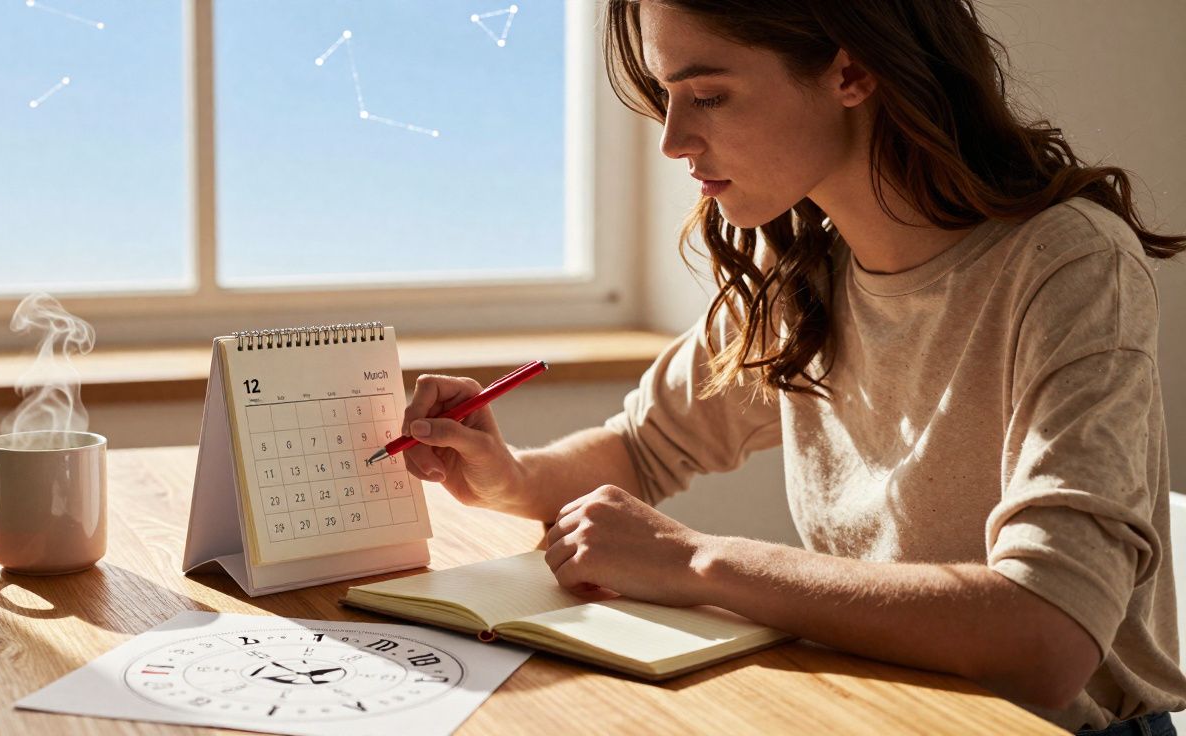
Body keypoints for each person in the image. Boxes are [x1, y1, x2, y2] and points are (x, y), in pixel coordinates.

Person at [400, 1, 1186, 733]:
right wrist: (506, 474)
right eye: (667, 97)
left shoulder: (1070, 265)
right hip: (876, 707)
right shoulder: (806, 277)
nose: (673, 139)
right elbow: (640, 450)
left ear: (851, 73)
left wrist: (696, 561)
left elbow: (1045, 638)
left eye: (706, 96)